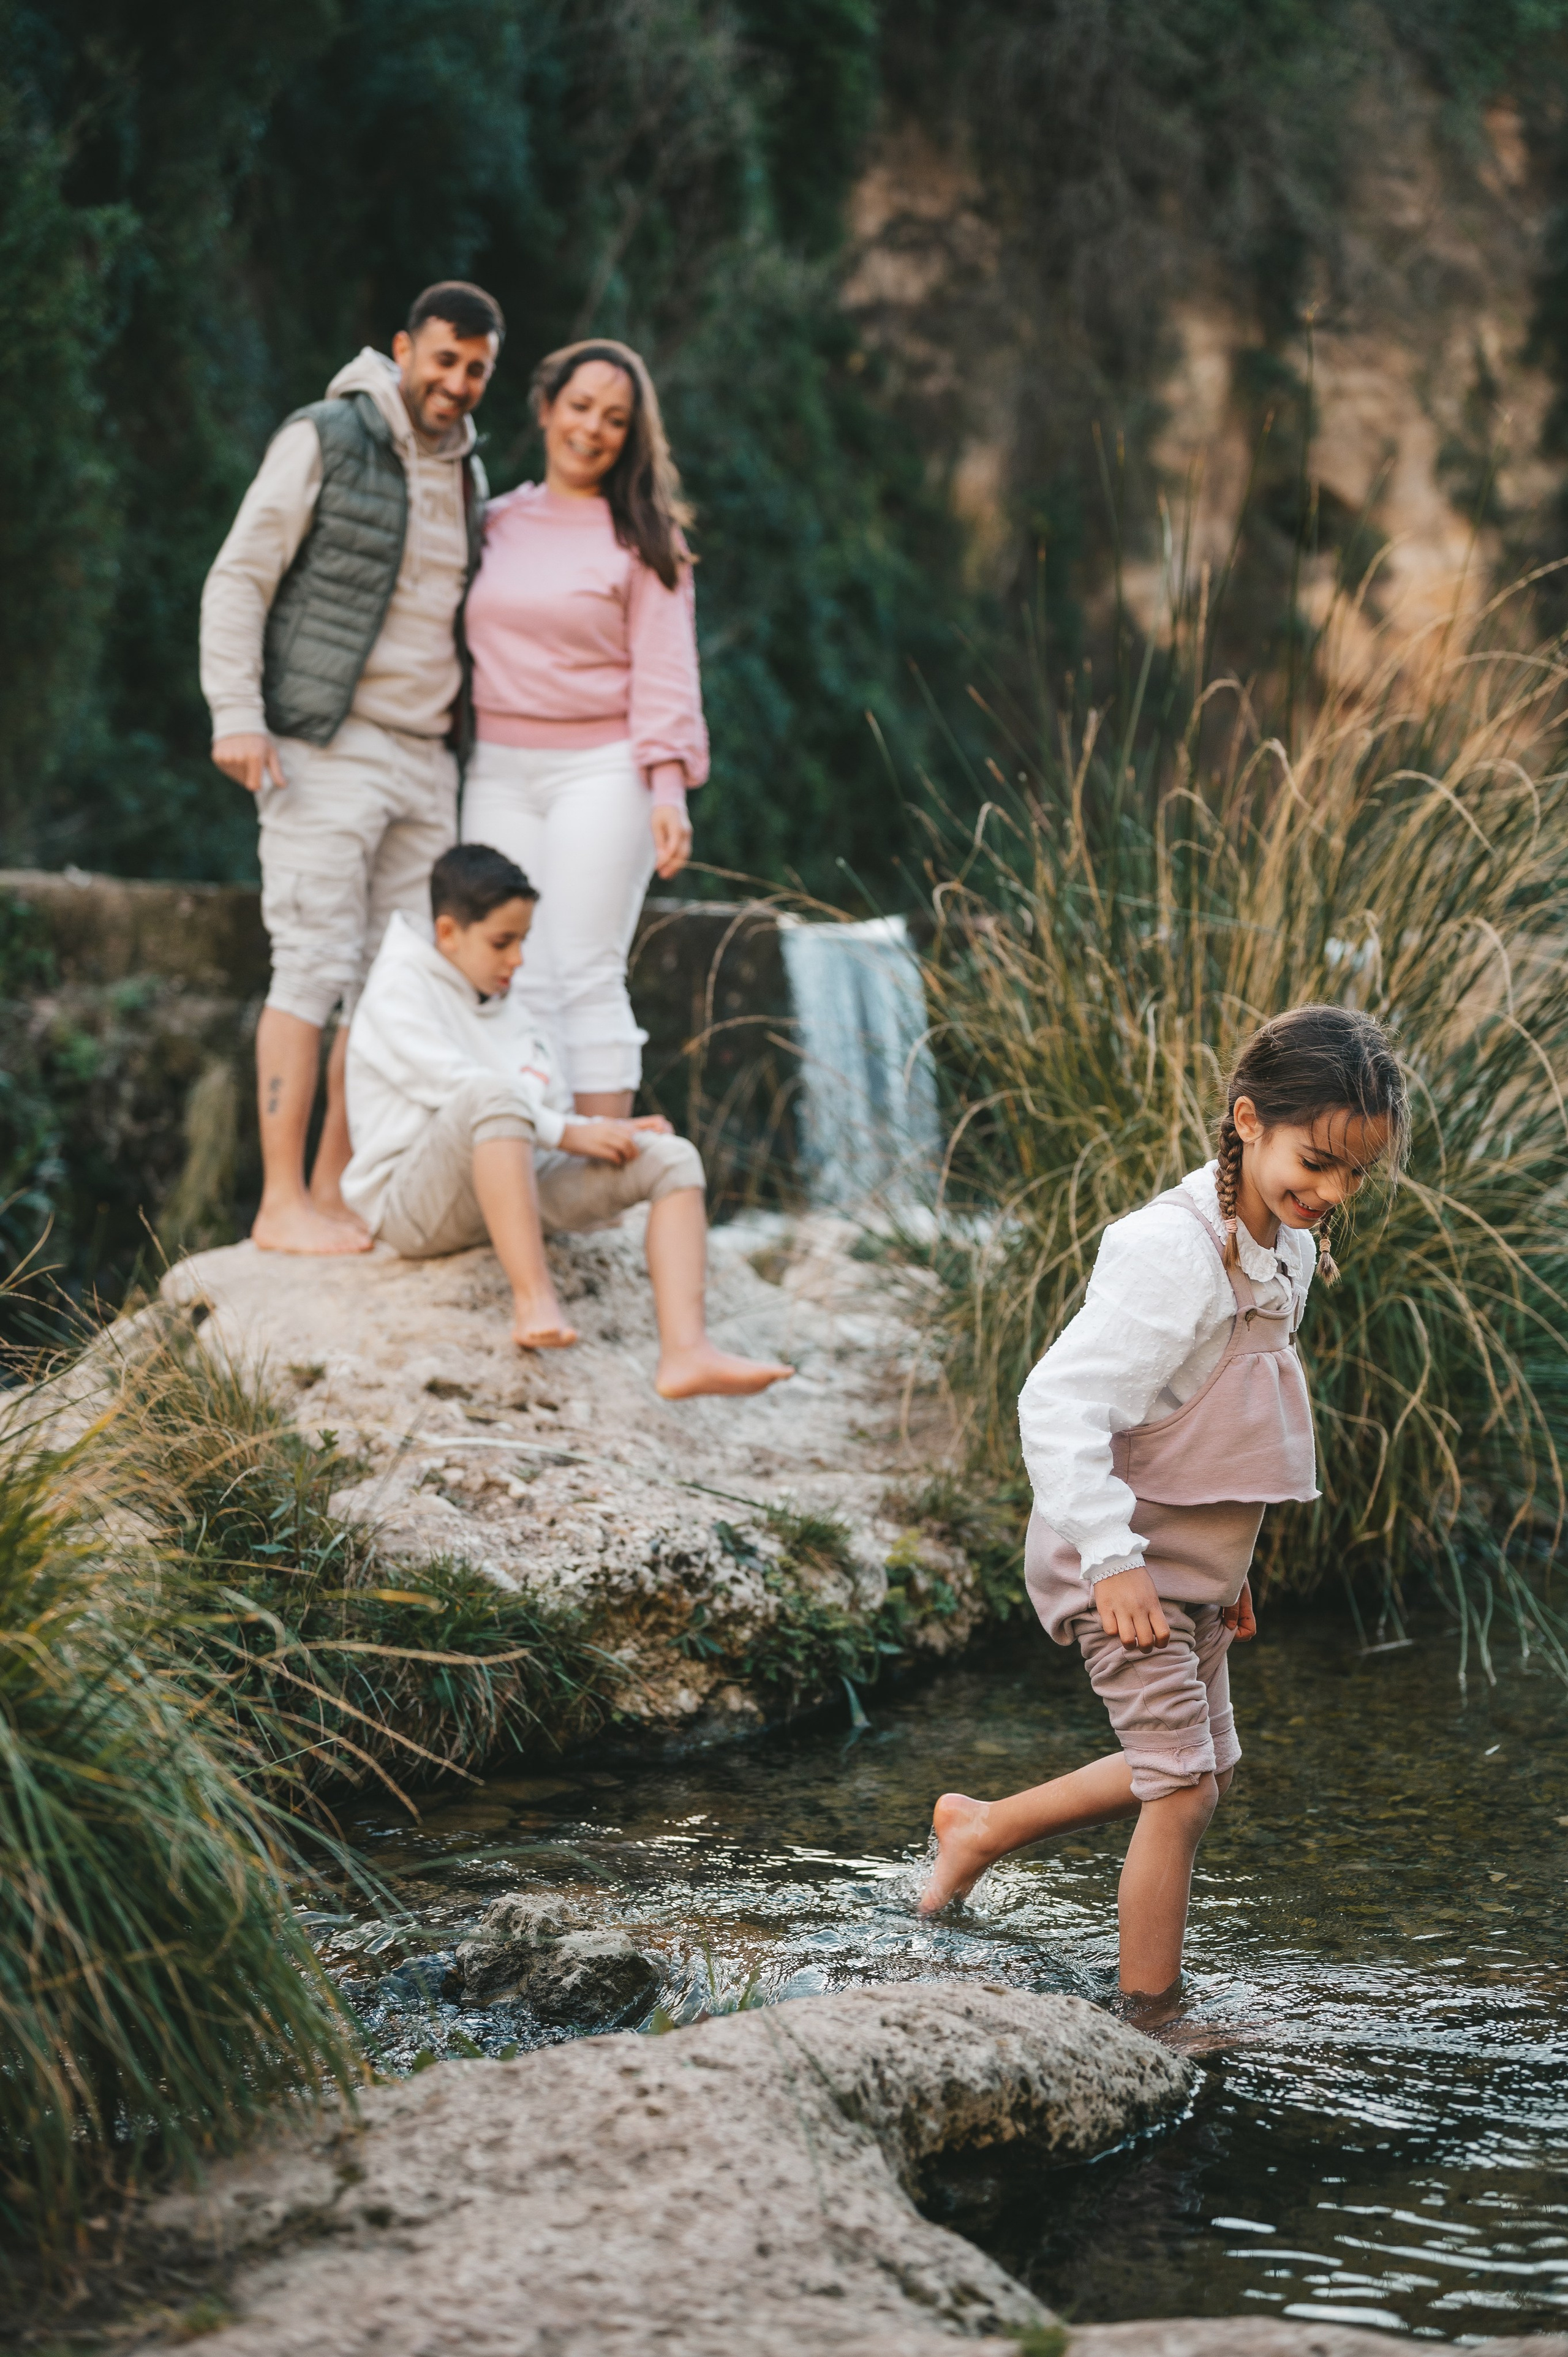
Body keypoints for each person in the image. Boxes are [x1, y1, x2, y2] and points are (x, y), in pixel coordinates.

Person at [915, 1005, 1409, 2005]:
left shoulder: (1288, 1246)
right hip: (1122, 1562)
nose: (1332, 1193)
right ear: (1248, 1121)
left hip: (1193, 1568)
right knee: (1180, 1790)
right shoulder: (1173, 1251)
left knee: (1202, 1771)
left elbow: (1226, 1423)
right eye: (1316, 1162)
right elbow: (1058, 1404)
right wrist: (1113, 1559)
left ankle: (982, 1827)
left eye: (1356, 1173)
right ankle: (1151, 2016)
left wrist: (1232, 1571)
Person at [200, 281, 505, 1255]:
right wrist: (238, 714)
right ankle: (280, 1201)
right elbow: (241, 574)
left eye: (476, 369)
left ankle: (337, 1190)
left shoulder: (472, 478)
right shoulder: (326, 436)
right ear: (403, 350)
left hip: (428, 761)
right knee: (312, 967)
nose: (456, 382)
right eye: (444, 359)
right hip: (326, 745)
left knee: (392, 985)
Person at [340, 842, 794, 1398]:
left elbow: (546, 1111)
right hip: (414, 1208)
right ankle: (534, 1302)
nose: (518, 960)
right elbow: (460, 1088)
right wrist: (571, 1131)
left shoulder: (503, 1001)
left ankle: (687, 1352)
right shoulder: (397, 988)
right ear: (448, 933)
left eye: (524, 941)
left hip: (512, 1188)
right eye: (502, 942)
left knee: (670, 1158)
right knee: (494, 1094)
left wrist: (604, 1133)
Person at [458, 338, 707, 1121]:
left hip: (602, 769)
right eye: (580, 407)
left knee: (585, 968)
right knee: (509, 966)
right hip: (494, 770)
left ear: (631, 435)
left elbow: (666, 673)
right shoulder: (493, 521)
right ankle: (533, 1154)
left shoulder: (646, 539)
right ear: (545, 409)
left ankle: (604, 1163)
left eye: (614, 418)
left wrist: (667, 792)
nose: (592, 428)